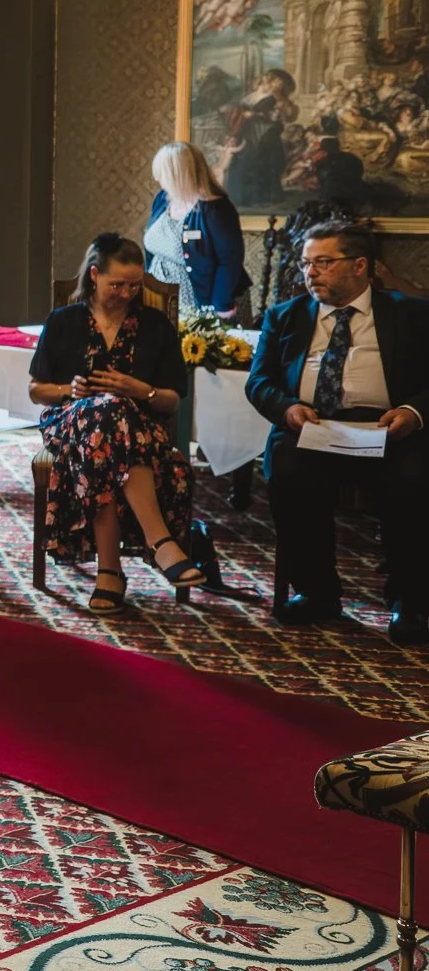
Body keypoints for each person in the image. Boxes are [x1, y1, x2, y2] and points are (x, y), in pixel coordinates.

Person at [244, 220, 428, 644]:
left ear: (360, 265)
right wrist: (287, 408)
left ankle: (410, 601)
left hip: (388, 428)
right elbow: (259, 382)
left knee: (415, 477)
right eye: (306, 263)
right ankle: (316, 591)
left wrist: (413, 412)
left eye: (324, 262)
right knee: (287, 467)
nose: (310, 273)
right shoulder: (284, 317)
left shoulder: (412, 314)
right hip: (313, 424)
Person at [27, 235, 204, 614]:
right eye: (118, 285)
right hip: (70, 424)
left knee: (109, 424)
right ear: (94, 275)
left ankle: (110, 572)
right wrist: (69, 390)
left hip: (140, 429)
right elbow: (36, 390)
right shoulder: (63, 321)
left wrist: (141, 390)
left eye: (135, 286)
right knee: (105, 412)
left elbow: (172, 400)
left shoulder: (155, 325)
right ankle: (161, 542)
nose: (127, 293)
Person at [146, 141, 247, 320]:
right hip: (158, 297)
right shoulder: (162, 199)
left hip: (198, 302)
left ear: (179, 174)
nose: (157, 179)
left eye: (162, 173)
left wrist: (221, 304)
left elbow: (229, 261)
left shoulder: (216, 209)